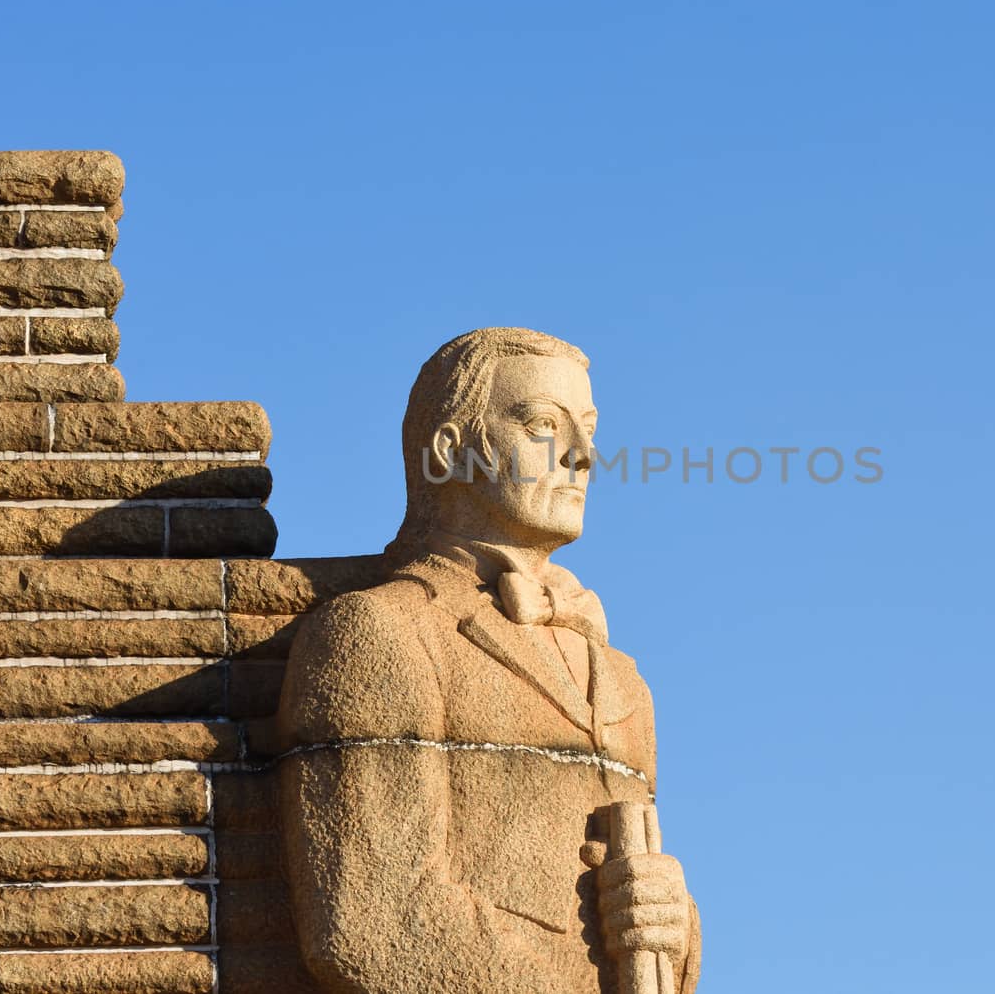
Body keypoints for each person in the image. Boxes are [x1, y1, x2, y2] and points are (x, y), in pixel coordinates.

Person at [277, 327, 700, 993]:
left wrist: (673, 925)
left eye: (588, 428)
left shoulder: (623, 680)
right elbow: (374, 922)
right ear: (451, 452)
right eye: (543, 426)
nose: (583, 456)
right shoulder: (380, 632)